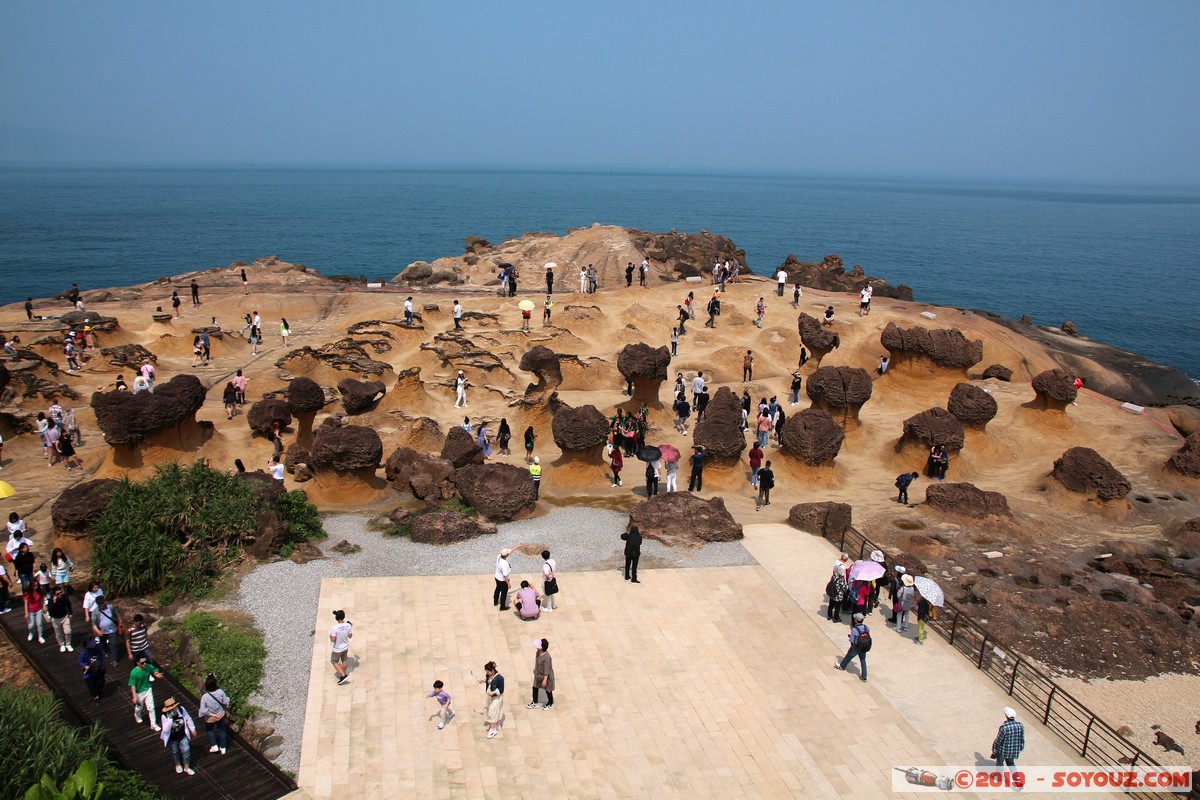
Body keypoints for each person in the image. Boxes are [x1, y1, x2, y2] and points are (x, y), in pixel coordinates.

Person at [160, 697, 197, 775]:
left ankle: (186, 767)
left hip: (182, 735)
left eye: (174, 708)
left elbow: (188, 719)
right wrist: (170, 720)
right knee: (175, 751)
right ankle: (177, 764)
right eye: (170, 709)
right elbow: (166, 730)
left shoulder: (181, 710)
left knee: (186, 750)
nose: (173, 710)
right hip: (172, 738)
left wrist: (192, 729)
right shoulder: (164, 716)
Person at [129, 654, 164, 731]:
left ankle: (153, 724)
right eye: (142, 663)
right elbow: (133, 685)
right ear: (137, 663)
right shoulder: (134, 673)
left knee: (151, 707)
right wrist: (134, 696)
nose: (144, 664)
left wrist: (157, 674)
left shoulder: (148, 666)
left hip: (147, 689)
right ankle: (137, 714)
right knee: (139, 707)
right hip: (139, 692)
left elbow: (153, 670)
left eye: (145, 662)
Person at [834, 612, 871, 682]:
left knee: (848, 656)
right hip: (864, 646)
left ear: (856, 620)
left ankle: (842, 666)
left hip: (856, 647)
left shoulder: (854, 629)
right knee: (863, 660)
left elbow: (852, 640)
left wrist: (850, 636)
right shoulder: (867, 628)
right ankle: (864, 676)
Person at [199, 673, 230, 753]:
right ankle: (223, 747)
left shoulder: (205, 696)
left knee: (209, 730)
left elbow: (202, 710)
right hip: (220, 714)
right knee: (222, 730)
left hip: (210, 717)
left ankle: (214, 745)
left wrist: (212, 714)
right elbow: (226, 701)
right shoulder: (220, 692)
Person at [91, 597, 122, 664]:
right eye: (100, 603)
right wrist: (98, 631)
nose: (102, 604)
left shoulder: (110, 607)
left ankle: (114, 660)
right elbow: (93, 624)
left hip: (112, 630)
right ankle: (105, 651)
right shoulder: (95, 612)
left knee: (113, 645)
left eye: (102, 602)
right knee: (103, 643)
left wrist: (120, 623)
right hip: (102, 632)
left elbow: (116, 614)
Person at [528, 638, 556, 710]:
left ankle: (550, 702)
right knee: (535, 687)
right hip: (538, 674)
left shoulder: (547, 658)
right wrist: (535, 668)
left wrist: (545, 680)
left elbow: (547, 669)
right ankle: (535, 702)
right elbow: (537, 661)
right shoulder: (538, 652)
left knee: (548, 690)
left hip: (546, 676)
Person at [79, 637, 107, 702]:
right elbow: (80, 661)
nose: (95, 644)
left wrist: (101, 663)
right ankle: (95, 696)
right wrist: (85, 666)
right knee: (92, 686)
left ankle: (99, 691)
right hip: (89, 672)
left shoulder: (98, 648)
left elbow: (101, 656)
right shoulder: (84, 653)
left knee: (101, 683)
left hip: (98, 669)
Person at [46, 585, 73, 652]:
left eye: (61, 592)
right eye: (58, 593)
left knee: (68, 631)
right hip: (55, 619)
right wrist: (54, 602)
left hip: (64, 616)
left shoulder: (64, 597)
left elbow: (68, 604)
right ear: (54, 594)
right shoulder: (51, 600)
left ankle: (68, 644)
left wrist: (70, 613)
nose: (60, 594)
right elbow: (50, 609)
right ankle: (62, 644)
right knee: (58, 633)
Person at [482, 661, 504, 739]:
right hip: (490, 697)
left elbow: (501, 690)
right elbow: (488, 680)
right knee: (490, 710)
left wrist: (493, 693)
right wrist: (483, 681)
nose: (487, 673)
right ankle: (495, 724)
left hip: (496, 698)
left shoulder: (500, 678)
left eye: (488, 672)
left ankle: (493, 729)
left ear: (492, 670)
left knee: (492, 712)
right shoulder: (488, 675)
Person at [329, 609, 352, 685]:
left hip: (337, 649)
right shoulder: (348, 625)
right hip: (345, 647)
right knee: (344, 660)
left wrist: (330, 635)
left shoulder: (335, 627)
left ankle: (343, 675)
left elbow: (333, 639)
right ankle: (343, 673)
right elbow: (350, 636)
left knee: (334, 661)